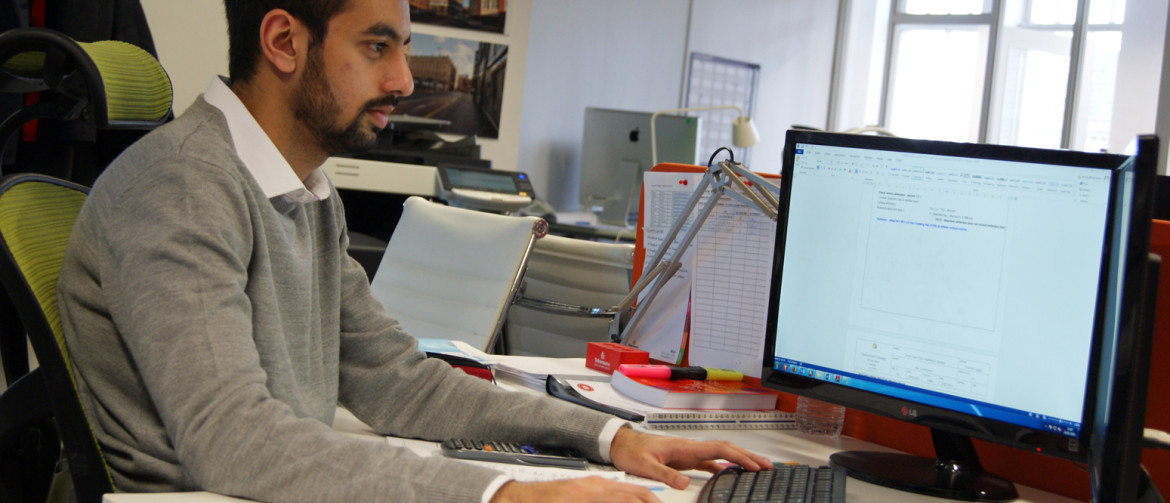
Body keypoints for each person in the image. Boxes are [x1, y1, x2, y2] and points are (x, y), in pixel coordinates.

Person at [56, 0, 772, 501]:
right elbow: (235, 440)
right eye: (377, 46)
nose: (403, 78)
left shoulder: (303, 187)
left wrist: (610, 436)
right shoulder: (182, 188)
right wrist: (504, 494)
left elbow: (397, 379)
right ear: (283, 42)